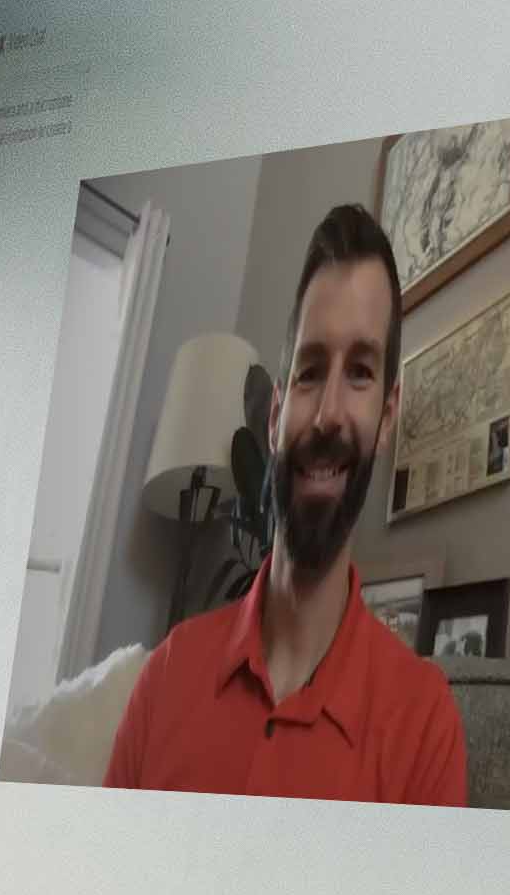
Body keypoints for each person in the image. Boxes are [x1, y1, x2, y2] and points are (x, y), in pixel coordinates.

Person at [100, 200, 474, 806]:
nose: (327, 414)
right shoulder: (166, 677)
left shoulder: (425, 726)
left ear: (387, 414)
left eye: (359, 372)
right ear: (274, 415)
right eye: (308, 371)